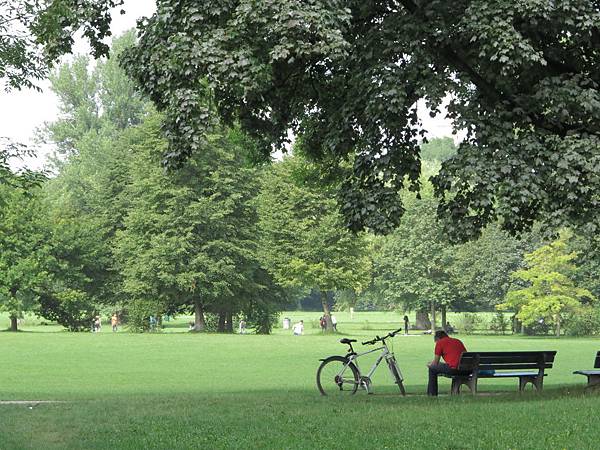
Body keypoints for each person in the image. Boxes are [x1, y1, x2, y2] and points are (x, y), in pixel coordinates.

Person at [427, 330, 467, 396]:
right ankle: (454, 392)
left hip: (454, 369)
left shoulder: (440, 343)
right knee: (446, 366)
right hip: (466, 370)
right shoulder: (457, 341)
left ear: (437, 338)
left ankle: (432, 394)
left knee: (432, 368)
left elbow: (435, 363)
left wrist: (429, 364)